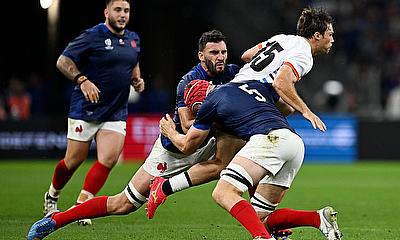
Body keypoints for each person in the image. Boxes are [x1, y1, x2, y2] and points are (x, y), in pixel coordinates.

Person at [26, 29, 242, 239]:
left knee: (253, 159)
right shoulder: (189, 82)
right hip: (174, 151)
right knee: (123, 204)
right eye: (214, 53)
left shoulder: (234, 74)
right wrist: (226, 118)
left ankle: (267, 227)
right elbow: (187, 128)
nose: (221, 57)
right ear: (201, 56)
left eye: (223, 52)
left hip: (210, 142)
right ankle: (57, 220)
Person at [157, 8, 342, 240]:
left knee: (224, 189)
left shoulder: (282, 39)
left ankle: (262, 238)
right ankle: (317, 218)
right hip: (290, 139)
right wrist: (306, 111)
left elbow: (246, 56)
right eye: (330, 34)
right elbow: (282, 82)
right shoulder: (304, 55)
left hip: (262, 122)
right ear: (316, 35)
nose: (332, 39)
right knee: (258, 216)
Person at [41, 0, 145, 226]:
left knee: (108, 159)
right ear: (106, 12)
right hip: (86, 108)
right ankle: (52, 196)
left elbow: (133, 61)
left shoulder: (134, 38)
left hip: (116, 110)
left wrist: (137, 78)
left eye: (126, 10)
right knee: (73, 160)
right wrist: (82, 80)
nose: (122, 15)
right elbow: (63, 61)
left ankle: (81, 206)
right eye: (118, 10)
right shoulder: (92, 35)